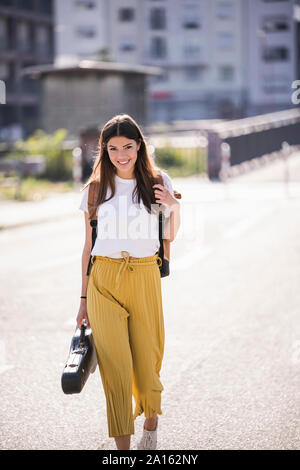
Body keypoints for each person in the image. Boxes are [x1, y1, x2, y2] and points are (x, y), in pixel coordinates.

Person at [77, 113, 180, 450]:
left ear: (139, 147)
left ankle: (151, 421)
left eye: (128, 147)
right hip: (103, 281)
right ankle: (123, 453)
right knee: (116, 371)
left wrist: (173, 206)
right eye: (113, 148)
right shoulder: (95, 190)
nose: (121, 155)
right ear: (104, 151)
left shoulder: (157, 181)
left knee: (148, 366)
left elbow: (170, 235)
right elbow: (88, 247)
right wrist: (82, 302)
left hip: (145, 276)